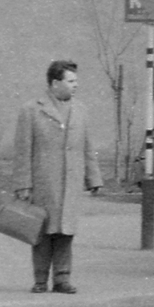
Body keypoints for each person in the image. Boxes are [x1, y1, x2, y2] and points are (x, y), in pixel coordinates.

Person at [12, 59, 102, 294]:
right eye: (71, 81)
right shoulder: (32, 110)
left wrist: (94, 179)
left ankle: (62, 278)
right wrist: (23, 184)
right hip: (44, 181)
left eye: (76, 81)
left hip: (70, 182)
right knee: (42, 230)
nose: (76, 86)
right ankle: (40, 279)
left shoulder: (81, 110)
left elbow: (86, 147)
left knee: (65, 231)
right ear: (55, 83)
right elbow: (22, 150)